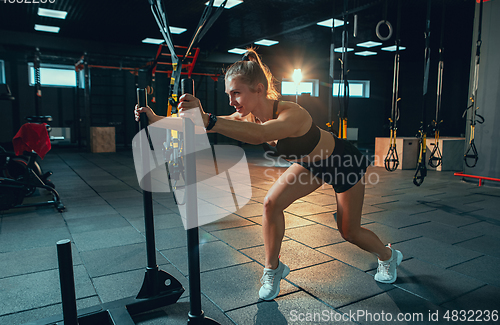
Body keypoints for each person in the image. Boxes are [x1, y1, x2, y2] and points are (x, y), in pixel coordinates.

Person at [135, 48, 403, 301]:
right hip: (311, 166)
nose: (231, 101)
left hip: (343, 162)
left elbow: (261, 135)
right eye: (229, 94)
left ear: (259, 89)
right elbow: (197, 126)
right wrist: (154, 118)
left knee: (349, 231)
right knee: (270, 204)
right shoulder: (248, 117)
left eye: (237, 93)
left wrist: (208, 120)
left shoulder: (292, 113)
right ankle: (273, 269)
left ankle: (388, 256)